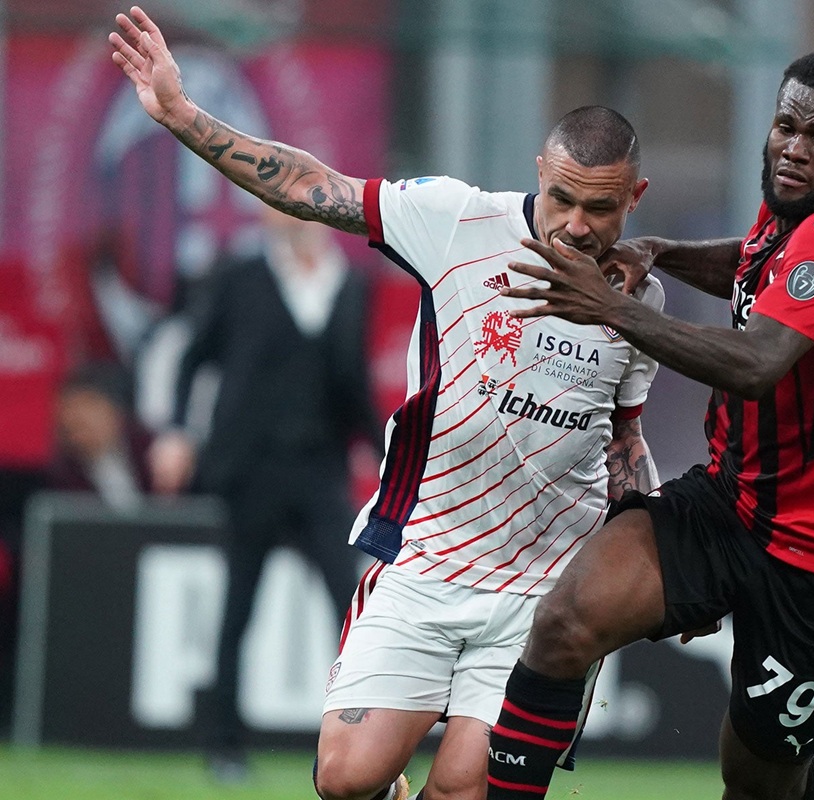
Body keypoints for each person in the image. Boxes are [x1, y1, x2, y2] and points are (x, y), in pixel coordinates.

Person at [111, 8, 664, 800]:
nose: (577, 225)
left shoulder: (640, 303)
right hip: (426, 563)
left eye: (601, 209)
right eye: (563, 198)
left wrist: (649, 542)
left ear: (635, 196)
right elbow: (312, 187)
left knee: (462, 791)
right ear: (538, 168)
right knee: (345, 780)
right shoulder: (456, 220)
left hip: (540, 595)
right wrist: (183, 116)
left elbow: (626, 440)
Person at [476, 33, 814, 800]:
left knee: (755, 784)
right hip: (732, 502)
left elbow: (754, 366)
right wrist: (658, 250)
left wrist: (610, 306)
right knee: (564, 624)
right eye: (787, 126)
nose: (793, 148)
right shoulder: (793, 212)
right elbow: (752, 262)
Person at [147, 205, 384, 778]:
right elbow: (192, 357)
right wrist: (178, 430)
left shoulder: (348, 284)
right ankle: (223, 744)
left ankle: (360, 745)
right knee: (238, 608)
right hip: (250, 470)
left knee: (350, 608)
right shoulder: (240, 277)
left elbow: (351, 384)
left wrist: (389, 454)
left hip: (320, 469)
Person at [47, 361, 155, 510]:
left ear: (115, 411)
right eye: (67, 408)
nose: (74, 418)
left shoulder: (151, 453)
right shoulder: (60, 477)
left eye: (87, 405)